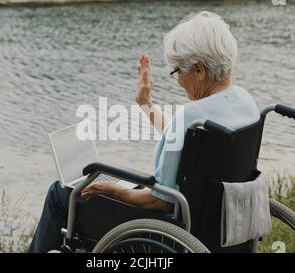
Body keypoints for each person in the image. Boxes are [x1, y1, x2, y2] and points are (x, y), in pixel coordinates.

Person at [28, 10, 260, 253]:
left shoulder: (190, 116)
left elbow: (159, 201)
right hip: (219, 224)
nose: (178, 80)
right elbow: (184, 142)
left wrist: (111, 189)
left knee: (60, 194)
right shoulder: (244, 103)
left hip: (167, 232)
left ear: (199, 70)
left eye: (178, 71)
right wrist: (145, 103)